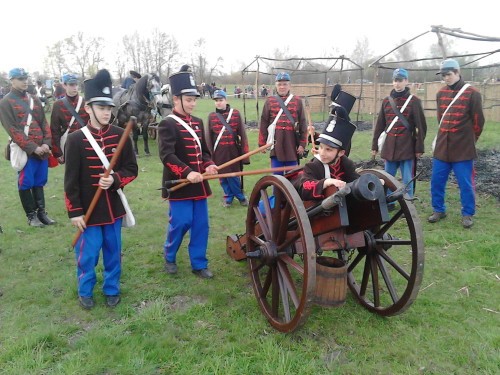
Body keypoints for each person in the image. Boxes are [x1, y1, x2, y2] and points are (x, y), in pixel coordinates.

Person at [64, 69, 138, 309]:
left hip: (113, 209)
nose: (107, 113)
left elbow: (131, 169)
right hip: (89, 210)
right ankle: (85, 290)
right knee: (88, 254)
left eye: (109, 108)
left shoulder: (120, 135)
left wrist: (115, 180)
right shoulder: (76, 139)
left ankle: (111, 288)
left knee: (113, 251)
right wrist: (75, 212)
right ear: (88, 109)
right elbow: (70, 181)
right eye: (101, 108)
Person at [158, 65, 218, 279]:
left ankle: (199, 263)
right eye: (188, 99)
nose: (193, 104)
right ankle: (170, 255)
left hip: (199, 184)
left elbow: (204, 152)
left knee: (201, 225)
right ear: (176, 99)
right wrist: (187, 172)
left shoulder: (198, 123)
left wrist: (209, 164)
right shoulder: (167, 124)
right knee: (181, 222)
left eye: (194, 99)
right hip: (179, 184)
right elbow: (167, 156)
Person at [428, 59, 485, 228]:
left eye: (449, 74)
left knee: (465, 183)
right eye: (444, 75)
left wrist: (469, 140)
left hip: (463, 147)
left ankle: (468, 213)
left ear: (458, 73)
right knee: (437, 181)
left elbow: (478, 121)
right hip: (443, 146)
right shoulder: (440, 94)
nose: (446, 78)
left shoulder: (472, 93)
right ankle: (439, 209)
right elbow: (441, 119)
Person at [0, 68, 55, 227]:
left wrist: (46, 143)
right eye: (20, 78)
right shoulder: (5, 103)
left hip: (42, 149)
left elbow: (43, 123)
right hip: (26, 150)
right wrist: (33, 147)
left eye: (25, 78)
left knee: (39, 181)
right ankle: (31, 217)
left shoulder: (34, 99)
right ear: (12, 80)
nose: (24, 81)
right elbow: (12, 129)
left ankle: (41, 213)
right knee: (25, 182)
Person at [371, 68, 427, 203]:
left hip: (407, 146)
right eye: (396, 80)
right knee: (388, 177)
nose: (398, 84)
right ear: (393, 81)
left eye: (401, 80)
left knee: (407, 178)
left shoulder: (414, 101)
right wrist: (374, 145)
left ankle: (408, 203)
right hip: (390, 146)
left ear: (406, 81)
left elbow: (421, 126)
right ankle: (390, 201)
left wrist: (419, 147)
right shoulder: (386, 101)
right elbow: (380, 125)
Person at [291, 106, 359, 200]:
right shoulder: (312, 166)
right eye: (321, 147)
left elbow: (356, 180)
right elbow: (305, 187)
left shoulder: (346, 164)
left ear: (341, 153)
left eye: (328, 149)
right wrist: (325, 183)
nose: (322, 153)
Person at [205, 89, 250, 208]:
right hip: (219, 152)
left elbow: (242, 134)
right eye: (216, 101)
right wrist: (208, 156)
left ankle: (240, 196)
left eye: (221, 100)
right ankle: (228, 196)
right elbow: (208, 138)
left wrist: (245, 154)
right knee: (222, 177)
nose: (219, 103)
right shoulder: (211, 116)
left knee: (233, 175)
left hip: (233, 151)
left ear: (226, 100)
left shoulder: (235, 114)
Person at [258, 72, 307, 174]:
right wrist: (262, 143)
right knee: (277, 178)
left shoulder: (297, 101)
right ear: (276, 86)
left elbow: (303, 123)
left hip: (292, 145)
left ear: (289, 85)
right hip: (276, 145)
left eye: (285, 84)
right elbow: (264, 123)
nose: (282, 87)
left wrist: (302, 144)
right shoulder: (269, 101)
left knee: (293, 178)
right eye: (279, 84)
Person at [50, 73, 89, 164]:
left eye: (76, 84)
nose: (75, 87)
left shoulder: (85, 102)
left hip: (86, 142)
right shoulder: (58, 105)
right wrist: (57, 152)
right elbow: (54, 130)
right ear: (64, 85)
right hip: (68, 144)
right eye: (71, 85)